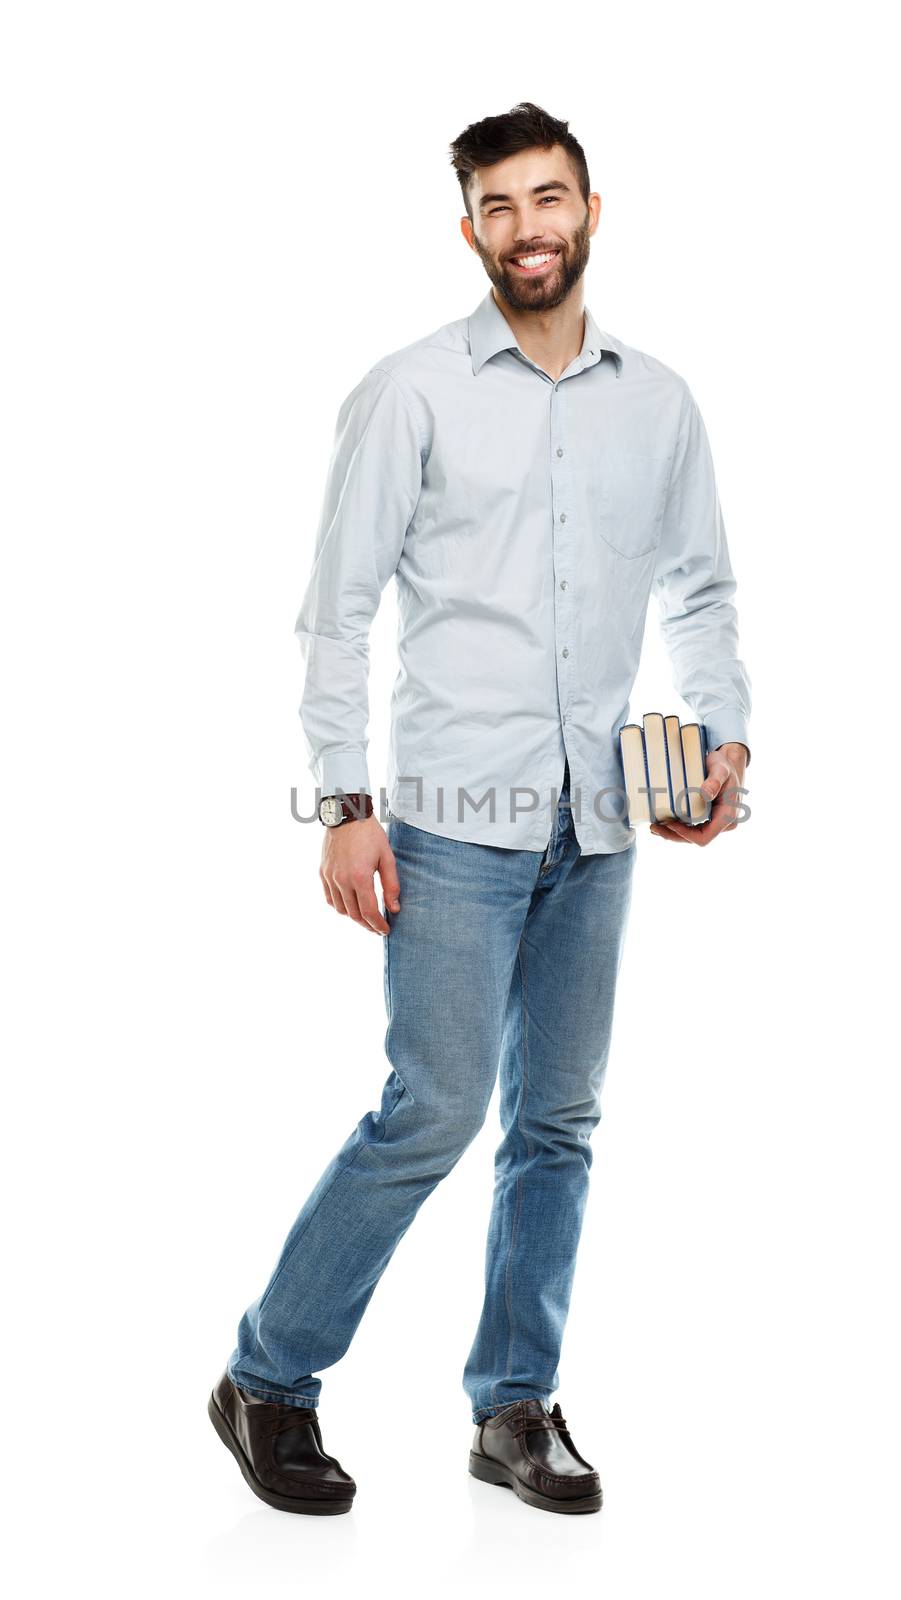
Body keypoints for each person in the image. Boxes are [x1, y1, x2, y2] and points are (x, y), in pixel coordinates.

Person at [209, 100, 752, 1518]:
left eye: (549, 198)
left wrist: (721, 739)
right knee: (435, 1108)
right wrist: (342, 803)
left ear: (590, 210)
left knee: (558, 1123)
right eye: (499, 206)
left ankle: (512, 1407)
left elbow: (698, 589)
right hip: (451, 822)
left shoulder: (660, 400)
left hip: (601, 824)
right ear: (469, 231)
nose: (529, 228)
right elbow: (334, 614)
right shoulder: (410, 392)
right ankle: (268, 1377)